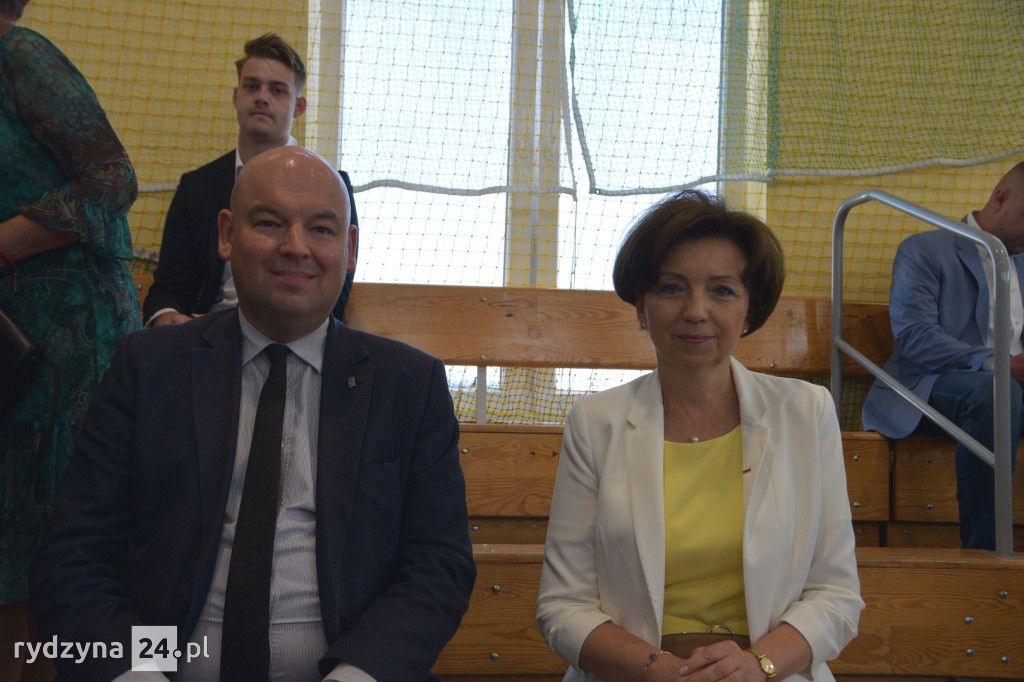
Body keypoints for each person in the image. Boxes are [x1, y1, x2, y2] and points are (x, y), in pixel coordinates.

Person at [30, 147, 475, 682]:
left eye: (321, 229)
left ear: (350, 248)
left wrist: (355, 675)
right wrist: (141, 671)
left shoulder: (410, 385)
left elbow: (437, 565)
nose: (296, 247)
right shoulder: (147, 368)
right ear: (226, 234)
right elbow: (74, 554)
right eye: (269, 223)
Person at [536, 190, 863, 682]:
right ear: (641, 307)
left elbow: (836, 595)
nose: (695, 310)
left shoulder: (806, 411)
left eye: (722, 290)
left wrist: (757, 666)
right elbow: (562, 607)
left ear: (749, 311)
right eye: (671, 288)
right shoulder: (595, 421)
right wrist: (664, 671)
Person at [0, 0, 140, 678]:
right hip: (17, 334)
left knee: (52, 545)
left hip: (68, 340)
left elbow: (113, 179)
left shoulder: (19, 53)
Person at [143, 32, 359, 327]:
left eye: (277, 90)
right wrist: (166, 318)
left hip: (299, 335)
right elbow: (170, 287)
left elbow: (336, 293)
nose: (262, 97)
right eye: (252, 86)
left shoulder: (335, 187)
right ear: (236, 96)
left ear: (298, 107)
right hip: (209, 336)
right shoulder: (196, 187)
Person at [862, 162, 1024, 550]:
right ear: (1000, 198)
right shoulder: (925, 250)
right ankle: (987, 554)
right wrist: (996, 364)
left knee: (1004, 393)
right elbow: (915, 339)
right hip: (935, 384)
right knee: (996, 392)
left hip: (1011, 390)